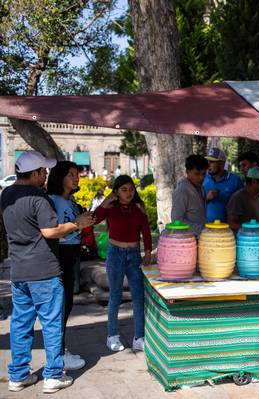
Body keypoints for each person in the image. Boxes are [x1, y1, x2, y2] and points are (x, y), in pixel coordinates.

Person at [3, 151, 93, 393]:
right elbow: (50, 231)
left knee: (21, 324)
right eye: (43, 171)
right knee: (52, 324)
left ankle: (18, 376)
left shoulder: (6, 194)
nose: (46, 175)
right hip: (44, 270)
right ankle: (53, 375)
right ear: (33, 174)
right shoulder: (39, 198)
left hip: (19, 270)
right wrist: (77, 223)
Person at [94, 175, 152, 352]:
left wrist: (148, 251)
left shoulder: (138, 208)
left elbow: (146, 230)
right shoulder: (110, 207)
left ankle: (139, 337)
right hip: (115, 254)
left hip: (134, 255)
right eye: (124, 189)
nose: (129, 193)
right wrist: (105, 203)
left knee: (138, 296)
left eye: (131, 189)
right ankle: (112, 336)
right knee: (115, 296)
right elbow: (94, 219)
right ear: (116, 192)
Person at [46, 161, 86, 371]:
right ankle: (58, 355)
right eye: (71, 174)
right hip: (59, 256)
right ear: (59, 177)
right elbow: (53, 231)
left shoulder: (69, 201)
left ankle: (60, 350)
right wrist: (77, 223)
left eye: (77, 174)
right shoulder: (52, 201)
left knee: (66, 305)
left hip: (72, 256)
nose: (76, 177)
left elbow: (78, 223)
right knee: (59, 307)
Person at [226, 167, 259, 232]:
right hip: (244, 240)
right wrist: (251, 228)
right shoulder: (237, 198)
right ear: (254, 181)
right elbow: (231, 224)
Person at [203, 147, 243, 223]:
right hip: (205, 228)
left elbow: (242, 205)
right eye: (207, 161)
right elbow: (193, 204)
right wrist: (207, 198)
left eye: (211, 162)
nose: (208, 165)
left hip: (227, 229)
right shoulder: (202, 178)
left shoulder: (235, 180)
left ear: (222, 163)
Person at [171, 155, 208, 235]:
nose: (201, 178)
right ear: (187, 172)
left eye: (204, 174)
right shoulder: (182, 191)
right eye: (197, 174)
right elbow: (177, 221)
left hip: (200, 239)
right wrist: (203, 229)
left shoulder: (202, 189)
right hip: (186, 241)